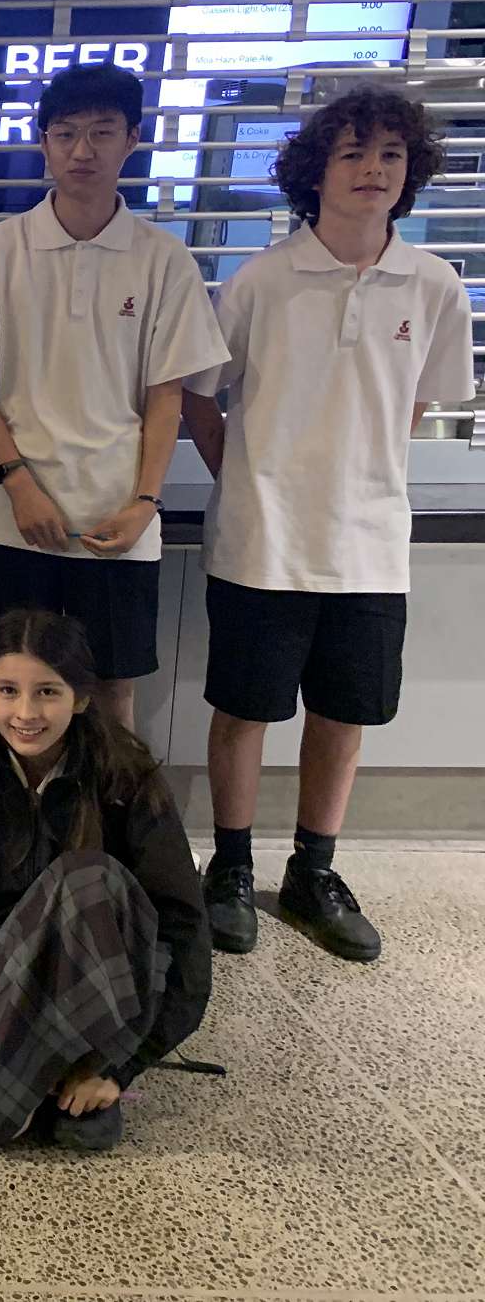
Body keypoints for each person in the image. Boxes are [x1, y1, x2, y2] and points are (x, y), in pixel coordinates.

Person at [181, 87, 475, 964]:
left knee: (344, 714)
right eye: (352, 153)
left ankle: (314, 870)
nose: (372, 169)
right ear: (315, 172)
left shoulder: (434, 284)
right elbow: (199, 397)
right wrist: (245, 478)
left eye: (390, 154)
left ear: (411, 171)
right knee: (244, 709)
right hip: (260, 540)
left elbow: (415, 408)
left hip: (371, 546)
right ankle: (231, 868)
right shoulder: (261, 281)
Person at [0, 62, 229, 730]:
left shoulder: (163, 260)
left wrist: (145, 502)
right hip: (14, 518)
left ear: (133, 139)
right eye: (65, 134)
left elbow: (167, 397)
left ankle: (106, 805)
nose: (82, 150)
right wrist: (18, 483)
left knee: (112, 692)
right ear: (43, 143)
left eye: (102, 132)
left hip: (118, 520)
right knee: (6, 686)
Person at [0, 609, 211, 1153]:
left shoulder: (126, 775)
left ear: (80, 699)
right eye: (8, 690)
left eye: (48, 692)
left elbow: (183, 925)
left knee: (85, 877)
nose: (26, 713)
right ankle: (43, 1072)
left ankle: (87, 1065)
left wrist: (122, 1067)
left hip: (106, 979)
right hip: (13, 974)